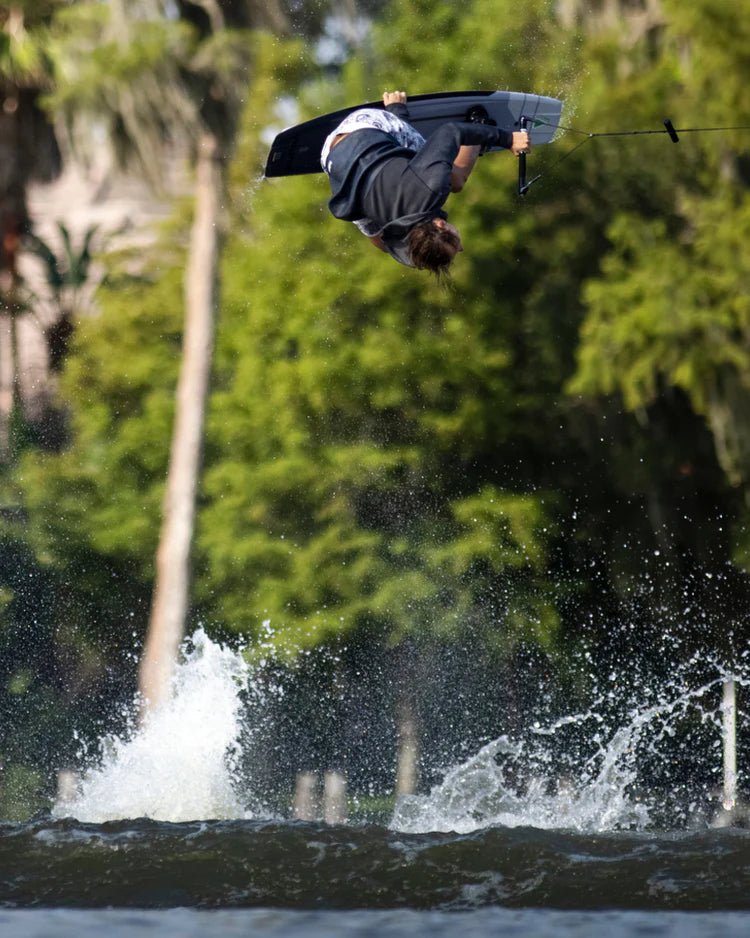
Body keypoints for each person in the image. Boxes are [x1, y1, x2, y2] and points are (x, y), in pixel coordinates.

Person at [321, 90, 530, 276]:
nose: (461, 248)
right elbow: (381, 243)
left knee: (455, 179)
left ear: (440, 224)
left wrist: (508, 139)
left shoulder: (431, 187)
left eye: (455, 242)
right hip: (330, 156)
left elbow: (451, 131)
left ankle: (476, 127)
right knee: (369, 218)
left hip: (365, 124)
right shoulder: (393, 239)